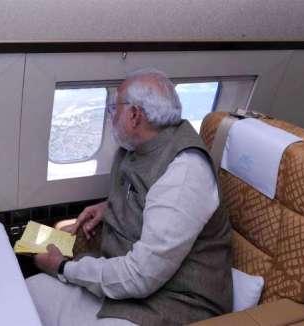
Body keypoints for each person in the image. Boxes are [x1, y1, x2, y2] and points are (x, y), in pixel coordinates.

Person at [26, 68, 233, 326]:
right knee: (29, 289)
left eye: (114, 109)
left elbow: (140, 276)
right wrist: (110, 206)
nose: (110, 116)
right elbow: (151, 197)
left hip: (176, 302)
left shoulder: (185, 173)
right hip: (128, 281)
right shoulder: (138, 145)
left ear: (134, 115)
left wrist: (62, 268)